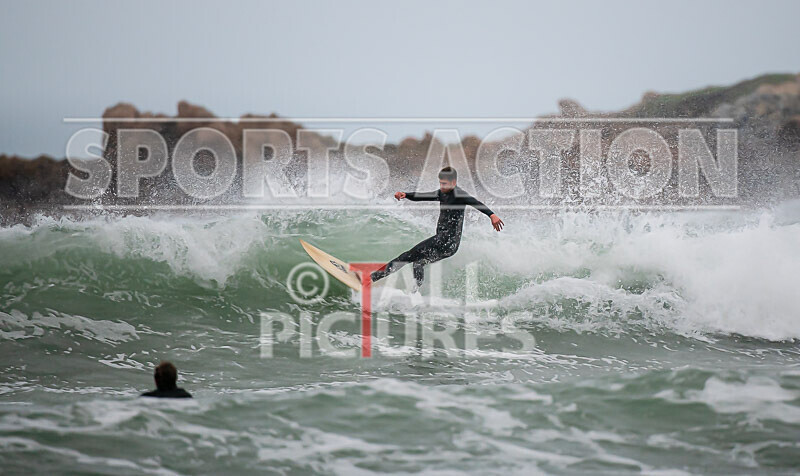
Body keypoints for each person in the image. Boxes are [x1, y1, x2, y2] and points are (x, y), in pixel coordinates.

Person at [370, 167, 504, 287]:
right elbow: (424, 196)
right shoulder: (442, 193)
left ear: (454, 182)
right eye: (440, 183)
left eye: (445, 184)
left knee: (406, 256)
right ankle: (415, 292)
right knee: (418, 263)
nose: (442, 186)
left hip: (447, 242)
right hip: (447, 245)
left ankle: (372, 278)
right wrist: (406, 195)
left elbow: (476, 203)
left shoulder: (460, 195)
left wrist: (491, 215)